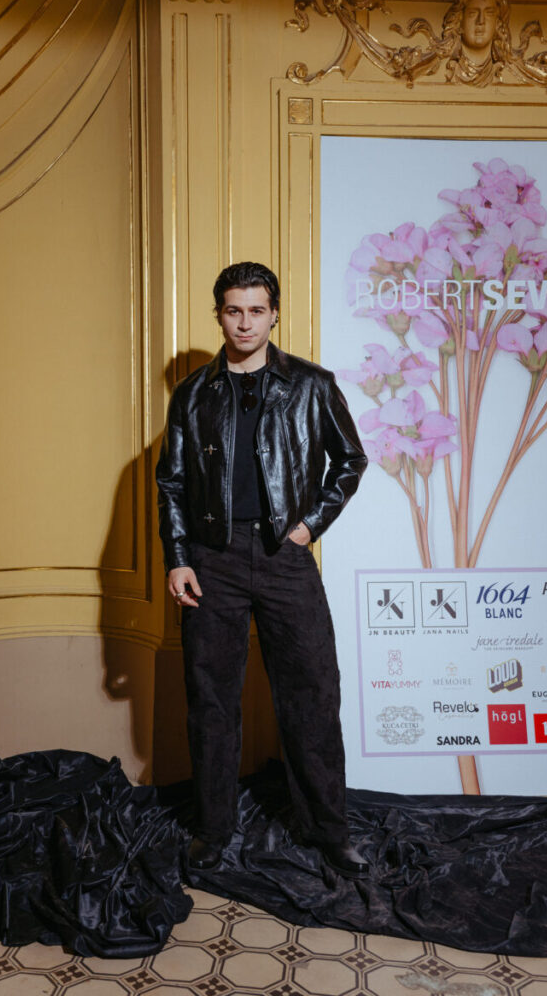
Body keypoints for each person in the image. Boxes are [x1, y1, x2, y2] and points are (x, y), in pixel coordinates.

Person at [156, 261, 370, 878]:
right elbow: (171, 483)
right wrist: (178, 558)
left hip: (284, 556)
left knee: (313, 695)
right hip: (212, 559)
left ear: (275, 314)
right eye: (233, 311)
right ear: (218, 315)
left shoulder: (312, 385)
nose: (245, 323)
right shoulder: (192, 394)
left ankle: (330, 831)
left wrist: (309, 526)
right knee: (211, 701)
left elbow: (350, 460)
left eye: (256, 310)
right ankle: (213, 829)